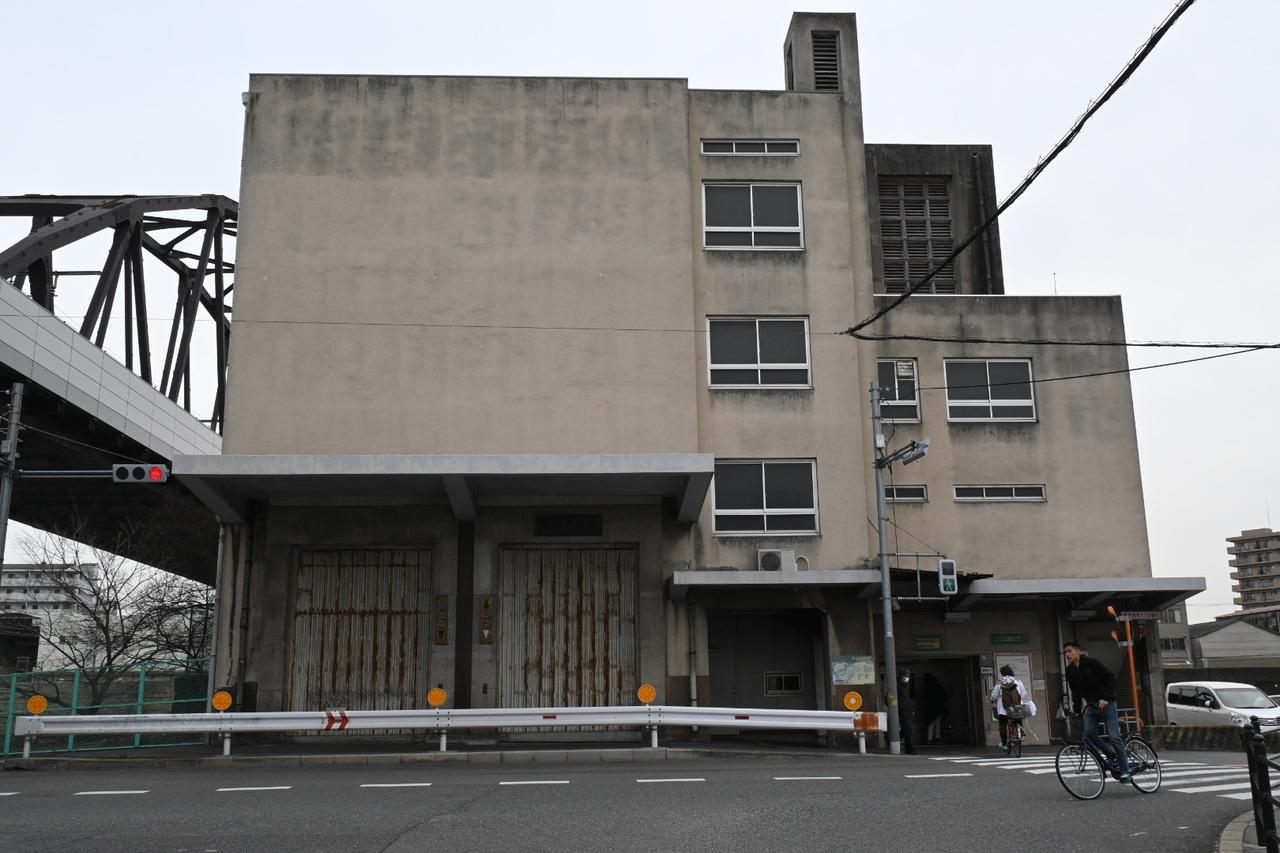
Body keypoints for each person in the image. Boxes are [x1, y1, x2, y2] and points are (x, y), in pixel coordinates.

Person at [1063, 641, 1128, 780]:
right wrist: (1077, 710)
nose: (1067, 654)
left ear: (1078, 651)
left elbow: (1110, 677)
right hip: (1092, 706)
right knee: (1088, 734)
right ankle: (1111, 754)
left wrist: (1105, 697)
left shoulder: (1091, 663)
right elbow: (1075, 692)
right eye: (1065, 652)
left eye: (1070, 651)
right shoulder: (1069, 671)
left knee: (1114, 737)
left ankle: (1125, 771)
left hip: (1107, 704)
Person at [989, 664, 1028, 752]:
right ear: (1011, 672)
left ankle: (1004, 744)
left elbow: (994, 696)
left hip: (1003, 709)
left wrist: (992, 700)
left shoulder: (1000, 682)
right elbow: (1023, 694)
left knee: (1002, 725)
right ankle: (1020, 730)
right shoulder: (1018, 681)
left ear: (1002, 673)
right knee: (1018, 718)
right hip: (1016, 708)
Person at [921, 673, 948, 744]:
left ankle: (929, 739)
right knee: (937, 724)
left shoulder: (928, 689)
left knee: (930, 723)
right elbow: (945, 698)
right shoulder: (940, 688)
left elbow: (925, 699)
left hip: (930, 709)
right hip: (938, 708)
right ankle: (937, 738)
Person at [897, 670, 917, 754]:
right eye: (905, 676)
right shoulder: (897, 686)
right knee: (908, 731)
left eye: (908, 676)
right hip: (903, 712)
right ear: (901, 677)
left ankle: (908, 748)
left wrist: (911, 710)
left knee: (907, 731)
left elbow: (907, 701)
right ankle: (910, 749)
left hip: (907, 712)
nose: (907, 678)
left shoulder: (905, 687)